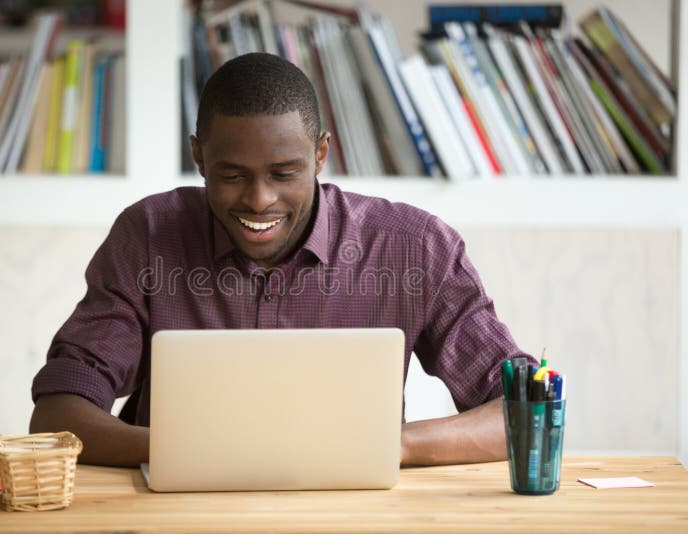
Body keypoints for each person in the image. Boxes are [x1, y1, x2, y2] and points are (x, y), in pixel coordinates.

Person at [30, 53, 535, 467]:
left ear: (320, 155)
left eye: (284, 172)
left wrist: (388, 445)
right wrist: (184, 454)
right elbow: (58, 413)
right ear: (199, 157)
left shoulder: (413, 247)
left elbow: (525, 411)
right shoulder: (147, 236)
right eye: (230, 174)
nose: (259, 200)